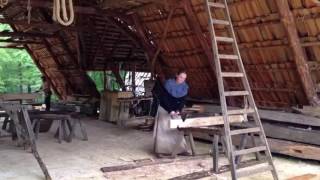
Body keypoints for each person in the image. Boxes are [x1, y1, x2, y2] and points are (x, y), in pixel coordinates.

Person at [153, 70, 189, 158]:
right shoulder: (168, 84)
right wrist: (170, 110)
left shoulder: (185, 87)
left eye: (184, 78)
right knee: (164, 130)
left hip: (175, 110)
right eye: (181, 77)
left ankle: (180, 150)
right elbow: (164, 99)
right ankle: (161, 151)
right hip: (164, 108)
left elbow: (182, 100)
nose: (182, 80)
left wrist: (178, 110)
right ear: (176, 75)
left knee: (177, 129)